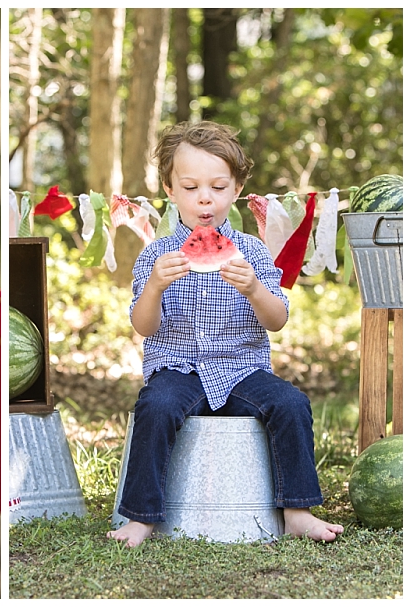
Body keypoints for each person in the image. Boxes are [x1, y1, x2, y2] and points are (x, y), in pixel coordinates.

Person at [107, 121, 343, 548]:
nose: (204, 198)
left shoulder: (251, 251)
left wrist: (254, 288)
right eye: (191, 186)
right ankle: (140, 516)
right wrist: (156, 287)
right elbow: (143, 326)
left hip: (241, 371)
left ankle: (297, 512)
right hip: (176, 369)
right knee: (155, 407)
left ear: (236, 190)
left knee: (292, 403)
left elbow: (277, 320)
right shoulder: (156, 255)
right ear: (169, 189)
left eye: (218, 186)